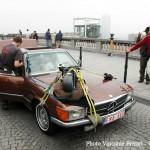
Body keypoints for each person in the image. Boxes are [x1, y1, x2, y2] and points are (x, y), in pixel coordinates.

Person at [1, 35, 23, 109]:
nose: (20, 45)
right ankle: (15, 101)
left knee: (4, 87)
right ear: (19, 42)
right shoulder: (17, 50)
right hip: (11, 72)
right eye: (20, 44)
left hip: (2, 70)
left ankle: (5, 103)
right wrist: (22, 63)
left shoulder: (4, 47)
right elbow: (16, 65)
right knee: (12, 87)